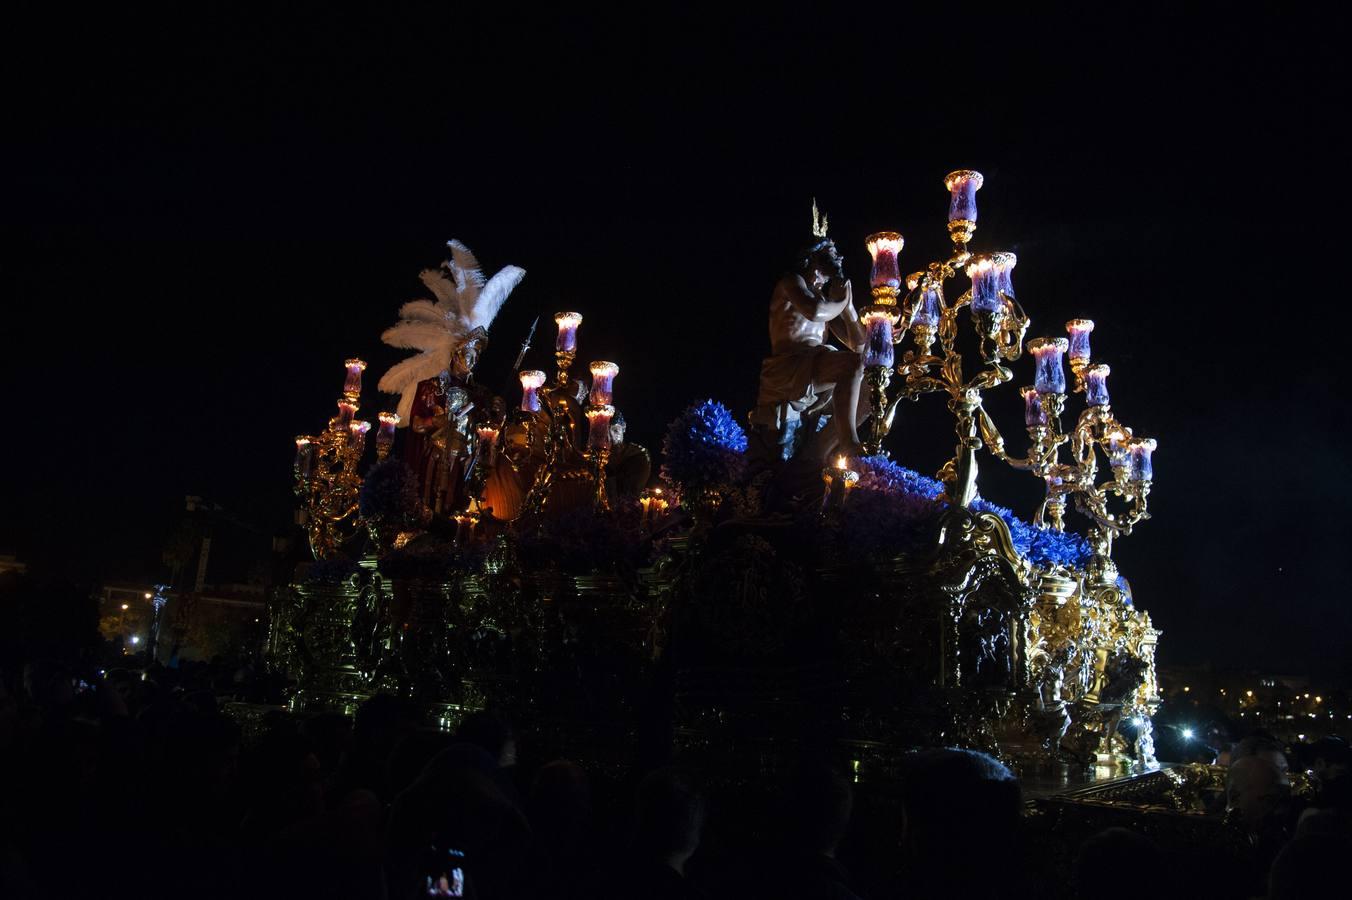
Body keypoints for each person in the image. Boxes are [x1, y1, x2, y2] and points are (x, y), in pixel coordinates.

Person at [749, 205, 867, 464]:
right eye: (832, 252)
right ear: (814, 255)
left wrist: (848, 311)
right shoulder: (793, 282)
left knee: (866, 386)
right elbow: (814, 311)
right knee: (849, 366)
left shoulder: (828, 300)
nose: (840, 258)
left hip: (812, 365)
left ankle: (824, 451)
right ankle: (850, 443)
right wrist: (842, 302)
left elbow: (860, 345)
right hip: (788, 365)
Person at [605, 411, 651, 499]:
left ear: (623, 427)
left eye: (615, 430)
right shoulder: (599, 456)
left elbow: (630, 493)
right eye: (606, 431)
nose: (610, 436)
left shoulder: (639, 455)